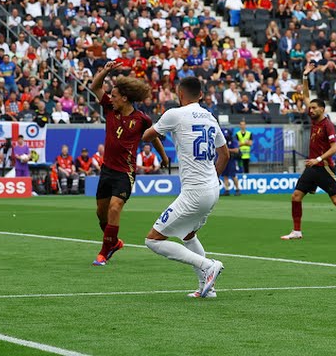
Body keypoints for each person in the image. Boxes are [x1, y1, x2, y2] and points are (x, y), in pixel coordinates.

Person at [141, 76, 230, 298]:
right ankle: (206, 288)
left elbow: (147, 136)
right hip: (212, 189)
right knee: (188, 235)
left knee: (153, 240)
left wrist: (147, 124)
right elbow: (225, 155)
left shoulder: (175, 114)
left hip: (195, 192)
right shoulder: (210, 117)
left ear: (180, 94)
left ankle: (208, 265)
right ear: (201, 95)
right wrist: (212, 178)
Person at [89, 61, 169, 266]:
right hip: (107, 169)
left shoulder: (142, 119)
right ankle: (113, 242)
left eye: (114, 96)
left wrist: (163, 156)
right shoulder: (110, 109)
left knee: (115, 207)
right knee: (101, 213)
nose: (111, 98)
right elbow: (95, 87)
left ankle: (104, 252)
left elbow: (153, 137)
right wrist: (106, 71)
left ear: (124, 98)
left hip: (125, 172)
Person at [281, 66, 336, 240]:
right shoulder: (314, 120)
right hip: (312, 167)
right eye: (310, 108)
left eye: (314, 108)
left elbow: (335, 148)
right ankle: (297, 231)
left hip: (325, 168)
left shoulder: (328, 125)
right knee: (296, 196)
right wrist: (305, 76)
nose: (310, 110)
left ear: (322, 109)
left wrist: (318, 159)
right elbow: (306, 96)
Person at [220, 127, 242, 196]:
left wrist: (227, 150)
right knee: (225, 175)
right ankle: (226, 190)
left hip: (232, 160)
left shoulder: (233, 141)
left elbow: (236, 150)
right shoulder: (223, 141)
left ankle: (237, 189)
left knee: (233, 175)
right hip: (225, 160)